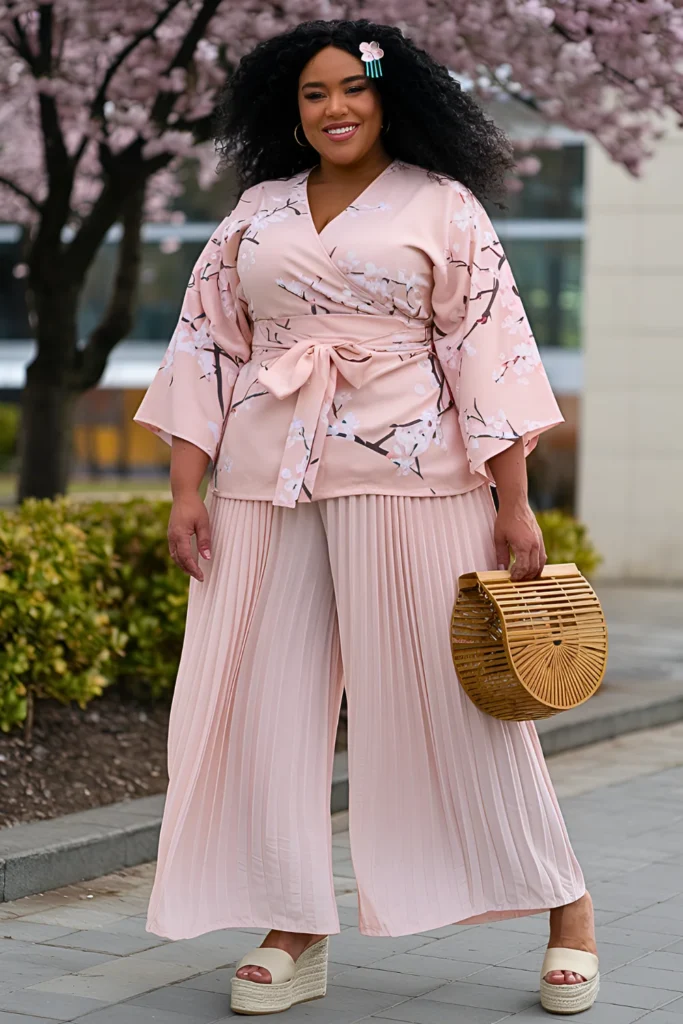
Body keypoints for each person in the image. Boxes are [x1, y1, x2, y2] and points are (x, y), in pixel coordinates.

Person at [134, 17, 599, 1017]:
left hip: (414, 474)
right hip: (264, 481)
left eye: (352, 87)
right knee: (260, 703)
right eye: (313, 93)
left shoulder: (443, 206)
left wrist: (513, 503)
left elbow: (489, 353)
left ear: (391, 97)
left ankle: (566, 905)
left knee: (450, 700)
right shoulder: (255, 211)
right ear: (289, 108)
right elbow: (204, 345)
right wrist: (184, 488)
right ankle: (292, 924)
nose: (334, 107)